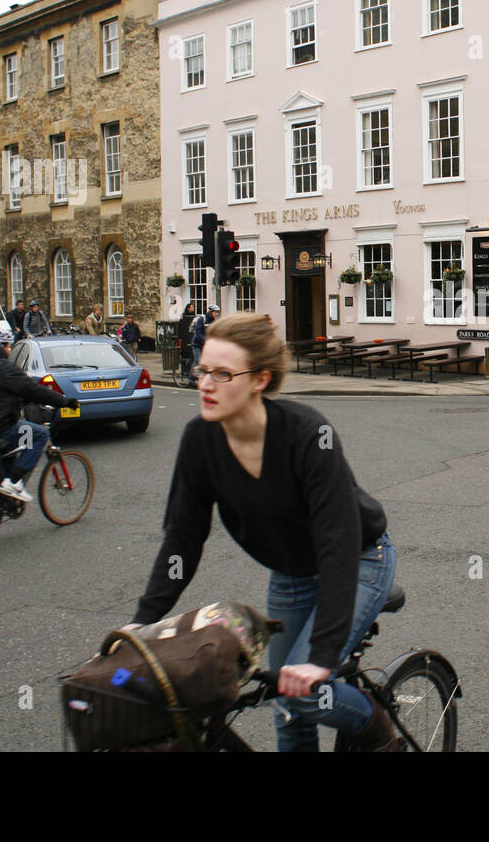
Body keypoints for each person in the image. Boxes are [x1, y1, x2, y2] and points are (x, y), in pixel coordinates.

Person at [131, 314, 398, 751]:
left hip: (360, 559)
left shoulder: (309, 434)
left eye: (222, 374)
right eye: (202, 370)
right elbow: (182, 542)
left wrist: (321, 659)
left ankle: (376, 728)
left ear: (260, 380)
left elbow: (337, 545)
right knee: (286, 708)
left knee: (307, 694)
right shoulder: (200, 439)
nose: (205, 384)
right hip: (291, 574)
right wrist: (140, 626)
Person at [0, 327, 77, 502]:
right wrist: (64, 401)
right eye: (7, 346)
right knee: (39, 435)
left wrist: (20, 400)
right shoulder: (3, 367)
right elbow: (32, 388)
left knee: (11, 448)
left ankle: (4, 499)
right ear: (1, 346)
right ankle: (13, 482)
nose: (9, 350)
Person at [192, 304, 220, 369]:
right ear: (211, 312)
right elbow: (198, 332)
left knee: (206, 361)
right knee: (197, 361)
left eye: (217, 312)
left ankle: (201, 376)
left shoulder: (213, 320)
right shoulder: (202, 319)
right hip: (197, 343)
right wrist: (205, 340)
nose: (217, 314)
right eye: (215, 312)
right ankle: (191, 378)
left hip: (205, 344)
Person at [177, 302, 197, 371]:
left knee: (191, 355)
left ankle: (189, 370)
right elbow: (180, 328)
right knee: (185, 355)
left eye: (193, 307)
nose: (193, 308)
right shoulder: (183, 317)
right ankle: (184, 370)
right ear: (188, 308)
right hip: (185, 338)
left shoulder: (194, 317)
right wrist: (180, 338)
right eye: (192, 307)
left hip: (190, 337)